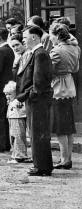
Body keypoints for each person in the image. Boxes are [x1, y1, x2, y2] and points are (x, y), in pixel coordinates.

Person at [16, 25, 54, 176]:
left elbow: (38, 81)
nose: (23, 40)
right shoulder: (37, 53)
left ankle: (41, 167)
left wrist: (29, 96)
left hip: (38, 100)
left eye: (25, 37)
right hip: (36, 99)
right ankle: (42, 165)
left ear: (34, 37)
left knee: (38, 133)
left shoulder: (40, 54)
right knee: (37, 132)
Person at [48, 23, 79, 170]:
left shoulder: (56, 51)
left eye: (51, 36)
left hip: (58, 88)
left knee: (60, 126)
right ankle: (68, 158)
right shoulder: (75, 48)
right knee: (68, 125)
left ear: (57, 36)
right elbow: (76, 68)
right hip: (69, 85)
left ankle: (64, 159)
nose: (50, 39)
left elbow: (48, 70)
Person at [6, 34, 31, 164]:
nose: (15, 48)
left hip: (22, 96)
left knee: (19, 125)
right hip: (16, 94)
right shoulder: (18, 58)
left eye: (17, 45)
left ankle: (20, 154)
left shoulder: (27, 56)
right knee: (16, 126)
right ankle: (18, 152)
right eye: (13, 46)